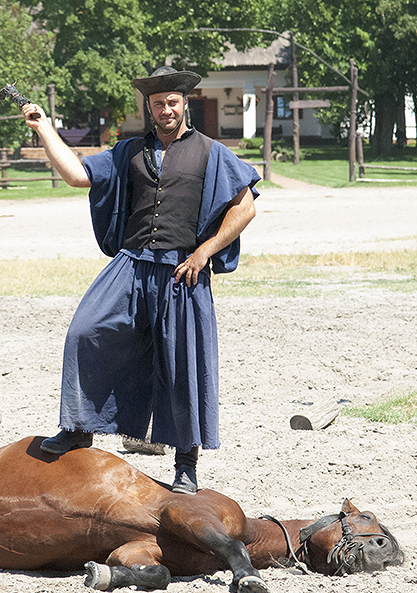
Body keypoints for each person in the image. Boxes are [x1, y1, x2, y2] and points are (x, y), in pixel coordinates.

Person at [22, 66, 260, 493]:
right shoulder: (129, 150)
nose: (165, 109)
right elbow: (78, 176)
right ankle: (78, 428)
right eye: (157, 103)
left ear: (184, 103)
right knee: (85, 331)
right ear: (149, 108)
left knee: (182, 366)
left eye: (172, 101)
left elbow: (245, 208)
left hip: (180, 273)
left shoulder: (212, 152)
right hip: (130, 265)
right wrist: (45, 130)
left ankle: (186, 464)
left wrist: (205, 251)